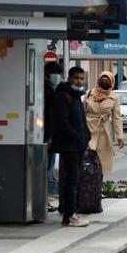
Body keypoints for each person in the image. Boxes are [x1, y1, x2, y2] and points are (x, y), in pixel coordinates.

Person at [51, 67, 91, 227]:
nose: (79, 81)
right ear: (69, 78)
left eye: (81, 78)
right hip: (69, 146)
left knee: (74, 179)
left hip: (78, 145)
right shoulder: (63, 96)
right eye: (76, 78)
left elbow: (81, 121)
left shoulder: (76, 97)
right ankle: (69, 215)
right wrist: (77, 137)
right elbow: (62, 122)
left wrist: (86, 136)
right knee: (71, 180)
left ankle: (71, 214)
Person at [84, 71, 124, 176]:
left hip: (103, 132)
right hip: (88, 129)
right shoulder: (89, 94)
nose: (104, 81)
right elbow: (81, 111)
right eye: (103, 79)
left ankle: (98, 185)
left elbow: (117, 118)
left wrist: (120, 136)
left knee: (101, 161)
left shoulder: (114, 98)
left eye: (107, 80)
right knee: (87, 159)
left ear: (111, 82)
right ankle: (86, 185)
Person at [44, 61, 63, 212]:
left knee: (48, 168)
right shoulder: (47, 91)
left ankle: (44, 200)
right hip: (46, 136)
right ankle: (43, 200)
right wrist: (50, 135)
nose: (58, 77)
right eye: (57, 74)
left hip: (50, 135)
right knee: (46, 168)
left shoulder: (50, 89)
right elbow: (49, 116)